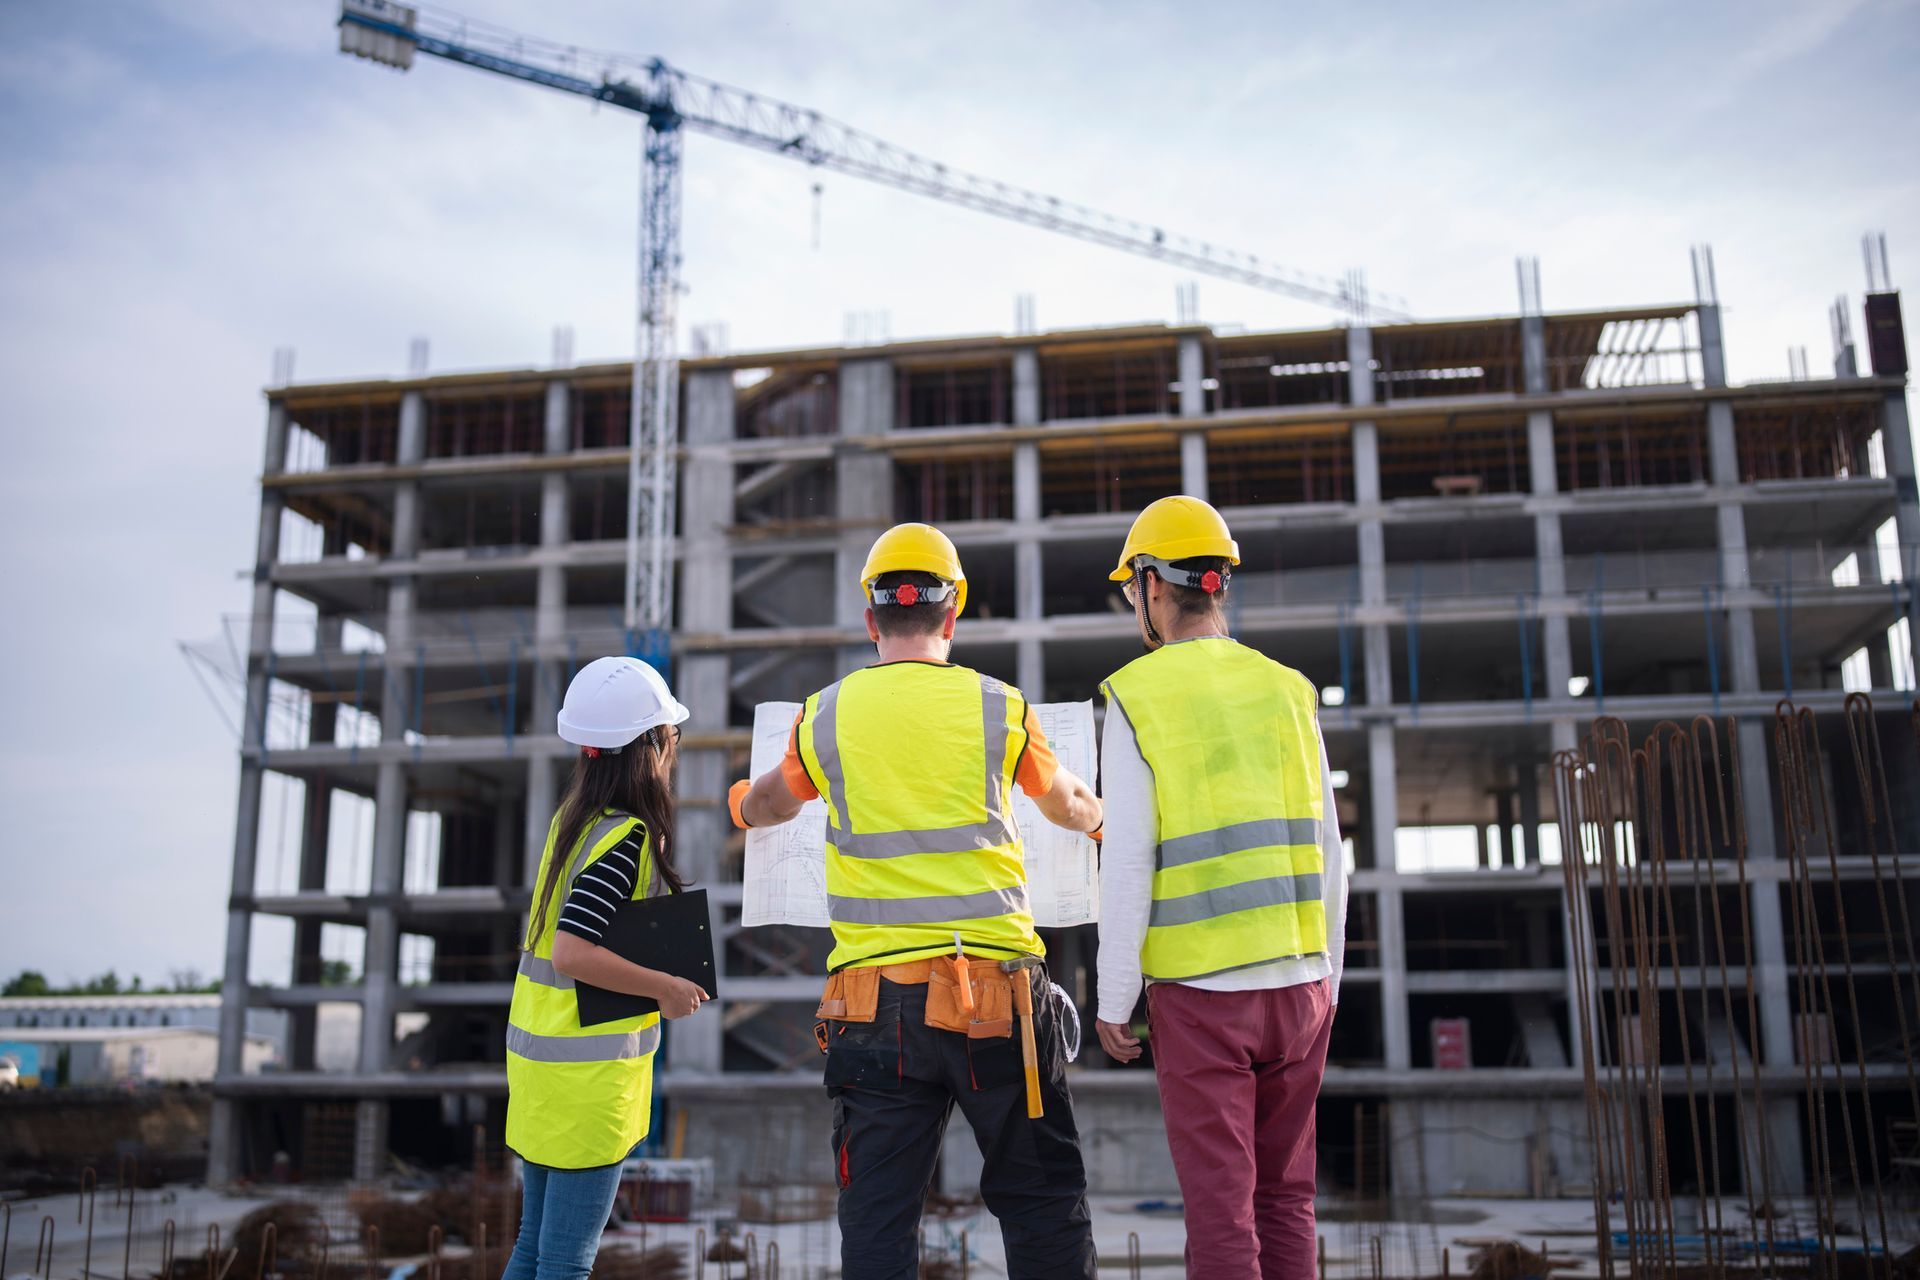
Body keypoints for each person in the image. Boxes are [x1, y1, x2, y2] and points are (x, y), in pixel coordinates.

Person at [729, 522, 1104, 1280]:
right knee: (1041, 1207)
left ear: (871, 619)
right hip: (999, 1002)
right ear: (953, 613)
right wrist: (1100, 818)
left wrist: (741, 805)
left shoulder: (824, 714)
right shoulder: (1001, 707)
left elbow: (771, 803)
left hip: (873, 1010)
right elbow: (1066, 804)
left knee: (878, 1223)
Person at [1092, 496, 1348, 1280]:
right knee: (1287, 1198)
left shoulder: (1137, 695)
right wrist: (1327, 972)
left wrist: (1113, 997)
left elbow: (1128, 859)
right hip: (1301, 986)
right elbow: (1332, 848)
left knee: (1221, 1210)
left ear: (1151, 586)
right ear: (1218, 584)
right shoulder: (1289, 690)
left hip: (1203, 997)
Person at [502, 656, 712, 1280]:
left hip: (541, 1076)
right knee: (566, 1263)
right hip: (586, 1087)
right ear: (647, 746)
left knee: (532, 1250)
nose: (674, 746)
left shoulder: (573, 824)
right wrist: (668, 989)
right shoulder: (626, 838)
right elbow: (572, 951)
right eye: (670, 734)